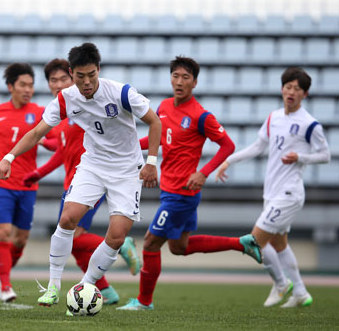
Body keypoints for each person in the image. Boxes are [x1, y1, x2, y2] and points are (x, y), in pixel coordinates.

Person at [0, 43, 162, 311]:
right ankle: (53, 286)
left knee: (117, 236)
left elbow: (155, 122)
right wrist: (9, 157)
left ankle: (84, 285)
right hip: (93, 165)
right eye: (80, 76)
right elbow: (37, 132)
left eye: (91, 75)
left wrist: (151, 162)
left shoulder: (121, 92)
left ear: (99, 70)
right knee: (68, 217)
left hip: (127, 170)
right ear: (72, 73)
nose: (86, 82)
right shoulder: (65, 98)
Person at [117, 56, 262, 311]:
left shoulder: (201, 115)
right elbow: (159, 139)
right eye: (175, 76)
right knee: (179, 247)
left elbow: (228, 145)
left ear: (195, 82)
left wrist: (204, 172)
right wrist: (126, 145)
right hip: (170, 190)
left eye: (186, 77)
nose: (179, 82)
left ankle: (143, 302)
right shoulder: (162, 107)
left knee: (151, 242)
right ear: (170, 78)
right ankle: (241, 243)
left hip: (182, 194)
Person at [22, 58, 142, 305]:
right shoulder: (65, 117)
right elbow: (61, 151)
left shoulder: (83, 110)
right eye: (52, 80)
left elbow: (117, 138)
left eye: (62, 79)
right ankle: (104, 291)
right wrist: (39, 172)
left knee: (74, 234)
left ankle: (120, 245)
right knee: (73, 240)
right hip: (76, 180)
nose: (58, 84)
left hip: (97, 177)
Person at [216, 67, 330, 308]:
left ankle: (281, 283)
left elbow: (325, 155)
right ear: (282, 89)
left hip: (289, 193)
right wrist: (228, 160)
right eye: (288, 87)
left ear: (305, 95)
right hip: (272, 192)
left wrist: (300, 156)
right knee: (279, 244)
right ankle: (300, 292)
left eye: (297, 89)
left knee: (255, 241)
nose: (291, 92)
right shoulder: (274, 117)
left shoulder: (310, 124)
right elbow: (258, 147)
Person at [0, 62, 49, 303]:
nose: (28, 89)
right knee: (3, 233)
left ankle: (1, 270)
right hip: (1, 183)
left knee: (21, 239)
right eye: (23, 85)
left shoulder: (39, 112)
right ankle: (5, 285)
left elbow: (49, 139)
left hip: (27, 184)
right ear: (10, 86)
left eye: (31, 85)